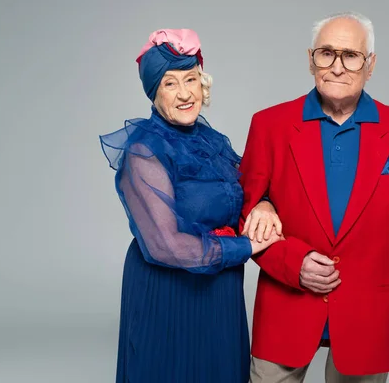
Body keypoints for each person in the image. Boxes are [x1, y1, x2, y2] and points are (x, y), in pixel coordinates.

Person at [238, 11, 389, 382]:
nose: (337, 67)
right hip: (287, 304)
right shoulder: (268, 125)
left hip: (369, 310)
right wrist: (293, 261)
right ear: (310, 59)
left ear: (370, 65)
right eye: (326, 53)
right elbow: (244, 213)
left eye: (351, 56)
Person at [99, 28, 282, 383]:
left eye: (191, 79)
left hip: (220, 290)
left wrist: (266, 205)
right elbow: (165, 245)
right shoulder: (144, 151)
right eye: (169, 84)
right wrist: (245, 246)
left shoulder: (212, 141)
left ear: (203, 84)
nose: (184, 94)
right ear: (153, 93)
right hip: (168, 294)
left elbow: (252, 188)